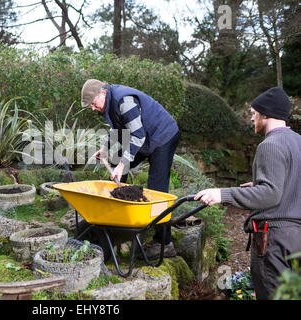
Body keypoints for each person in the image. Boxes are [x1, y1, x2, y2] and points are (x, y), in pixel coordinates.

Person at [195, 87, 301, 300]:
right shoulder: (298, 141)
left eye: (254, 113)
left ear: (265, 114)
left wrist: (221, 194)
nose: (251, 118)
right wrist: (262, 183)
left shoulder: (269, 145)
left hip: (274, 240)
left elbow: (271, 194)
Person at [80, 79, 181, 259]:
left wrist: (122, 164)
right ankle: (116, 221)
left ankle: (164, 244)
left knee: (157, 188)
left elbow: (137, 136)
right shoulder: (109, 102)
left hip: (163, 136)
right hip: (144, 138)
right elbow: (117, 129)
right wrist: (104, 149)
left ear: (102, 94)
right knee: (117, 166)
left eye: (93, 104)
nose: (92, 109)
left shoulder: (124, 101)